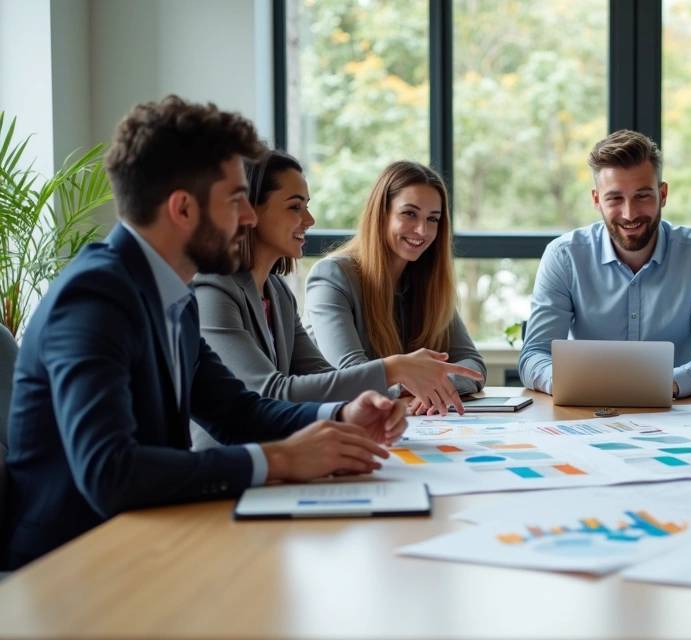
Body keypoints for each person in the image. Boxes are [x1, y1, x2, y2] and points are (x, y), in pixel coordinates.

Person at [1, 96, 408, 570]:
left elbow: (235, 413)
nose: (251, 217)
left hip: (145, 544)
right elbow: (109, 471)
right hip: (68, 569)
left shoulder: (172, 295)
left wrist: (340, 413)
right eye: (236, 199)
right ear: (183, 209)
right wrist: (279, 460)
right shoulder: (95, 298)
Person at [193, 151, 480, 443]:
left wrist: (366, 405)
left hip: (277, 454)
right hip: (224, 470)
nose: (310, 219)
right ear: (249, 210)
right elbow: (270, 392)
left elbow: (324, 378)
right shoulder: (212, 290)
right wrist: (396, 370)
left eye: (433, 219)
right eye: (295, 207)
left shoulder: (277, 292)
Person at [518, 130, 691, 398]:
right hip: (586, 408)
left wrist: (663, 384)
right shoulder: (564, 256)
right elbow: (534, 355)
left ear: (663, 194)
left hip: (677, 409)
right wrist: (572, 384)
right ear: (596, 200)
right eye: (615, 198)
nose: (629, 213)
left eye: (642, 196)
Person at [305, 161, 487, 415]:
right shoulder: (332, 276)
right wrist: (412, 383)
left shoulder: (429, 284)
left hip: (399, 421)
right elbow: (350, 374)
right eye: (409, 213)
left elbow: (473, 367)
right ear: (381, 213)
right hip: (332, 426)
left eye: (433, 219)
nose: (423, 230)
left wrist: (429, 385)